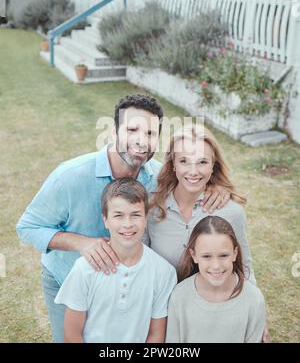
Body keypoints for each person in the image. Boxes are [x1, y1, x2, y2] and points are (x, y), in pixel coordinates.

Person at [16, 94, 229, 342]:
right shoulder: (69, 176)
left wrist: (215, 187)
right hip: (68, 279)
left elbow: (193, 177)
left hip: (128, 283)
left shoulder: (159, 178)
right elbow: (28, 227)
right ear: (114, 132)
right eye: (132, 129)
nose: (141, 141)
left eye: (150, 133)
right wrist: (82, 243)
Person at [55, 178, 177, 343]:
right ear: (105, 220)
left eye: (135, 215)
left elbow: (156, 334)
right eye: (118, 216)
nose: (127, 224)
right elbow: (73, 334)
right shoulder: (84, 268)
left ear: (145, 218)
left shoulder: (163, 271)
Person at [144, 124, 255, 283]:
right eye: (184, 161)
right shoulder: (152, 207)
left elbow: (244, 269)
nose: (193, 171)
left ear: (213, 165)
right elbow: (140, 262)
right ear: (173, 164)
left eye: (202, 162)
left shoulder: (232, 212)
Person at [166, 216, 266, 343]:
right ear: (194, 255)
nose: (216, 266)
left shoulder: (254, 299)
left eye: (223, 255)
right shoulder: (179, 296)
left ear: (235, 253)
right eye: (207, 256)